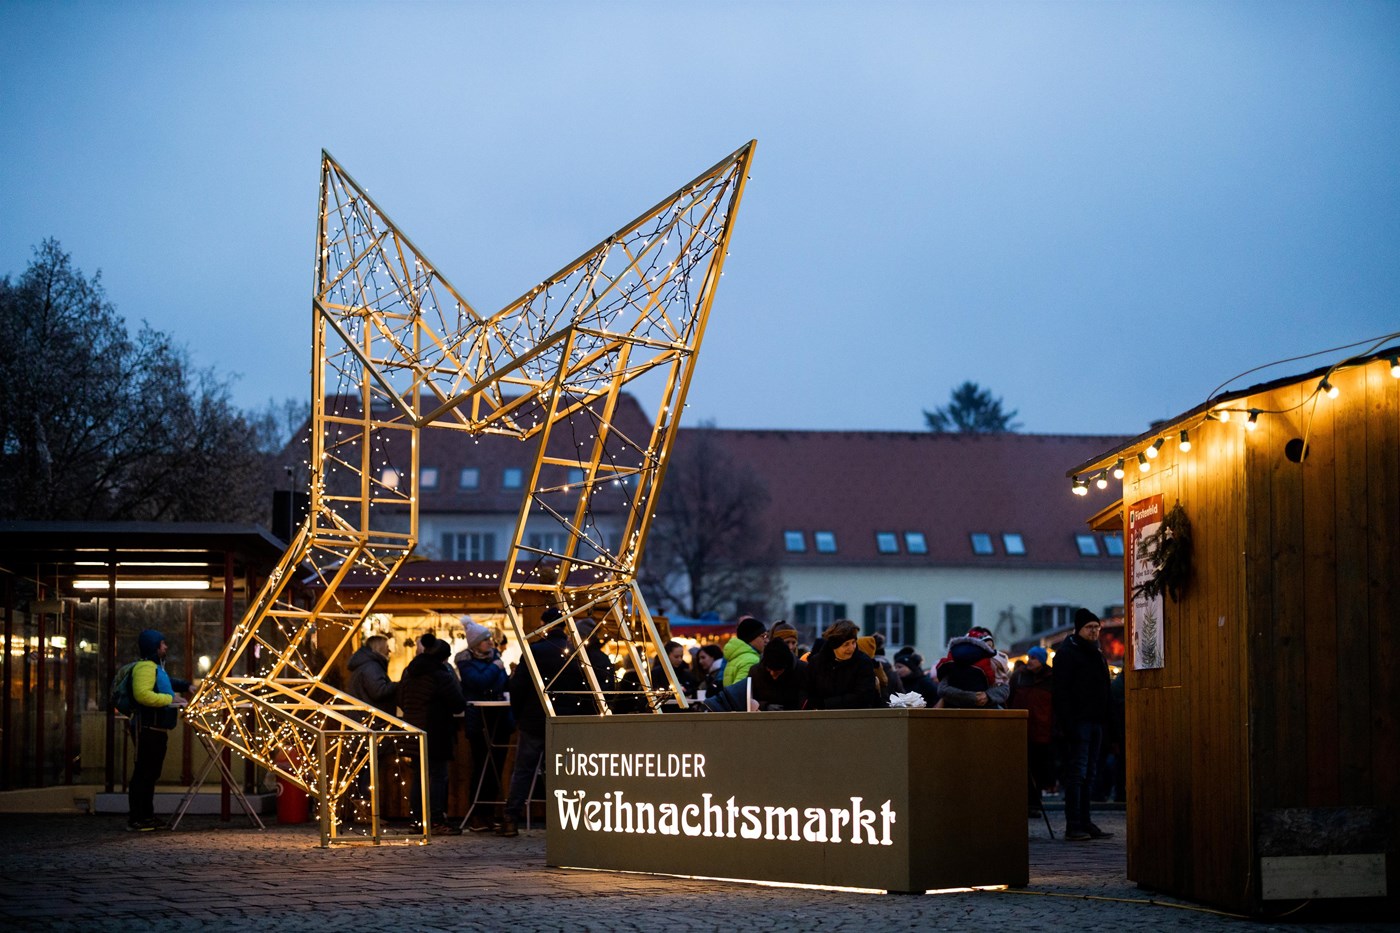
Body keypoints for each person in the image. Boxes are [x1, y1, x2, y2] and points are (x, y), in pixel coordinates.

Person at [501, 607, 589, 837]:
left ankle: (511, 817)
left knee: (523, 771)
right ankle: (565, 821)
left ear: (544, 625)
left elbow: (518, 686)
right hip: (565, 721)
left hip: (534, 718)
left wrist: (519, 714)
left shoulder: (534, 651)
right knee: (562, 772)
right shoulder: (575, 652)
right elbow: (585, 688)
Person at [1053, 609, 1114, 841]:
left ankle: (1086, 821)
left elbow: (1105, 689)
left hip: (1096, 722)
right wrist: (1067, 724)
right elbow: (1062, 693)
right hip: (1078, 723)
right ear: (1078, 629)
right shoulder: (1068, 654)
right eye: (1090, 627)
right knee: (1077, 774)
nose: (1094, 631)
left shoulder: (1096, 653)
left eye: (1097, 628)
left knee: (1090, 773)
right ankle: (1074, 824)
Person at [398, 632, 466, 836]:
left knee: (419, 776)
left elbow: (400, 698)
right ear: (443, 657)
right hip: (436, 730)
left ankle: (417, 820)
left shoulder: (409, 671)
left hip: (413, 729)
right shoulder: (440, 673)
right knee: (438, 776)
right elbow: (457, 703)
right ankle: (436, 820)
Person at [127, 629, 193, 831]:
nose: (165, 646)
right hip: (147, 729)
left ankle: (147, 815)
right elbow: (143, 695)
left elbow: (165, 683)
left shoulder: (155, 668)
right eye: (162, 643)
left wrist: (185, 686)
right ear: (154, 647)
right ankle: (138, 818)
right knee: (144, 774)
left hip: (156, 730)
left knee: (150, 774)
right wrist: (170, 700)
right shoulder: (146, 668)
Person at [454, 617, 510, 833]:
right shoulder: (466, 661)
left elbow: (501, 684)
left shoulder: (494, 658)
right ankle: (478, 814)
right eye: (486, 640)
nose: (490, 643)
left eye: (490, 640)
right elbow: (479, 682)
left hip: (499, 720)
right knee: (481, 766)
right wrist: (496, 668)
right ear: (476, 643)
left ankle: (489, 814)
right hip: (479, 721)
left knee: (496, 768)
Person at [1009, 646, 1055, 816]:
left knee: (1039, 769)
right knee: (1024, 769)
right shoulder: (1019, 677)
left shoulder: (1051, 678)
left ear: (1042, 660)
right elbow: (1011, 698)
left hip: (1043, 730)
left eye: (1034, 658)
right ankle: (1026, 803)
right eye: (1029, 657)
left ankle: (1035, 803)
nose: (1030, 661)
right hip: (1022, 730)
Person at [806, 620, 883, 709]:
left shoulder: (863, 662)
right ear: (835, 646)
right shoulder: (817, 663)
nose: (851, 648)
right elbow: (808, 692)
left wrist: (826, 704)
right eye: (846, 644)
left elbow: (863, 696)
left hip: (856, 716)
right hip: (823, 717)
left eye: (853, 642)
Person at [935, 631, 1002, 708]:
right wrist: (974, 697)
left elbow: (1004, 689)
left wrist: (987, 696)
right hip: (979, 708)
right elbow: (992, 681)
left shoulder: (952, 658)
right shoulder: (985, 661)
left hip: (955, 708)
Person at [749, 638, 808, 711]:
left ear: (786, 667)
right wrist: (764, 706)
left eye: (777, 671)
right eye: (769, 669)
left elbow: (807, 700)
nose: (772, 674)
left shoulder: (802, 670)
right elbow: (749, 700)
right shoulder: (756, 672)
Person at [346, 634, 397, 715]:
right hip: (371, 718)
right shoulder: (371, 667)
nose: (389, 651)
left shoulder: (367, 665)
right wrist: (397, 685)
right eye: (387, 647)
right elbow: (378, 691)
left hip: (365, 716)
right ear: (380, 648)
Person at [722, 616, 767, 687]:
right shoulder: (751, 661)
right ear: (751, 638)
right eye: (763, 636)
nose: (766, 640)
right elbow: (739, 693)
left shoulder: (737, 656)